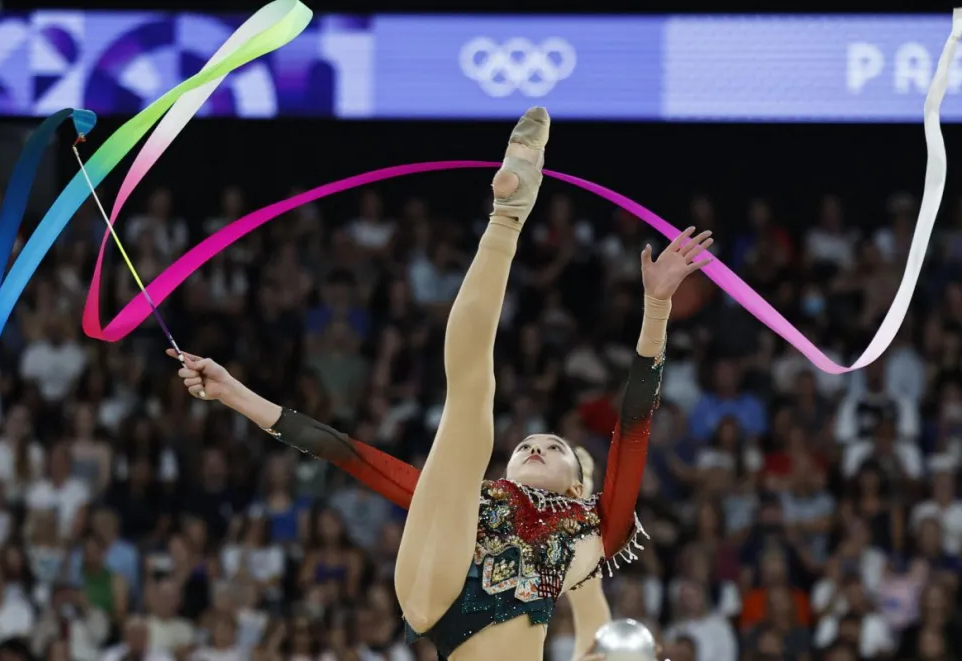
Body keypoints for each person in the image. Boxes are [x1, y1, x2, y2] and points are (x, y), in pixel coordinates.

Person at [171, 108, 713, 661]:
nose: (534, 447)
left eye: (553, 448)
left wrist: (656, 309)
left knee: (472, 430)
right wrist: (234, 392)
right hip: (435, 578)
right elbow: (352, 456)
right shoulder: (477, 500)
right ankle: (508, 215)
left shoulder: (597, 527)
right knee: (471, 403)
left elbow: (634, 423)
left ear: (578, 486)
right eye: (528, 445)